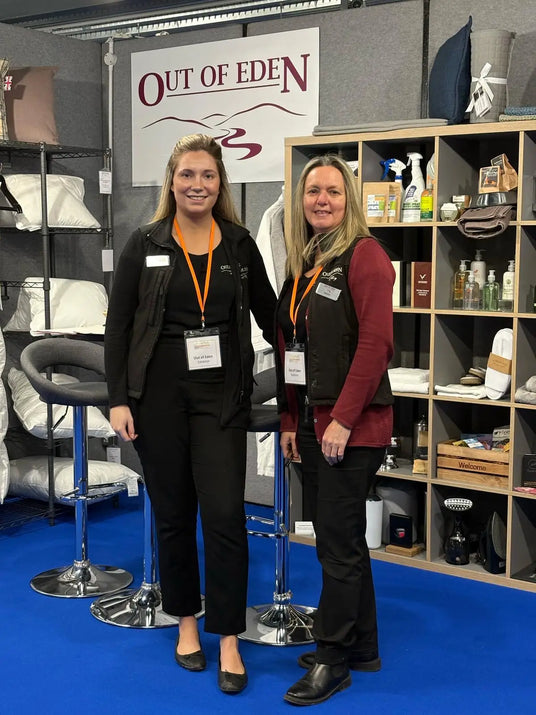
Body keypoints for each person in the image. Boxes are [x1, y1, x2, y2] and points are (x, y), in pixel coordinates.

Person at [104, 134, 276, 694]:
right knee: (174, 514)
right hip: (157, 397)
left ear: (220, 183)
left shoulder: (240, 246)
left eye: (207, 175)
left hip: (221, 397)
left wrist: (319, 351)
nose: (197, 185)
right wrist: (118, 399)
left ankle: (227, 636)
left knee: (224, 515)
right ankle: (184, 622)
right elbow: (118, 327)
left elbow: (273, 316)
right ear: (172, 182)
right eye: (187, 175)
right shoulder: (146, 243)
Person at [275, 154, 394, 706]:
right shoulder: (308, 261)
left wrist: (343, 418)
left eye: (333, 191)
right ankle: (362, 647)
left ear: (349, 200)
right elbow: (293, 351)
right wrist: (290, 419)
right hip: (312, 422)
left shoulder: (365, 256)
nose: (321, 200)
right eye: (312, 191)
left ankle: (332, 658)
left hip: (352, 427)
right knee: (338, 540)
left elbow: (376, 345)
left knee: (337, 547)